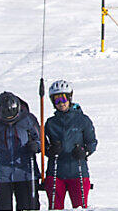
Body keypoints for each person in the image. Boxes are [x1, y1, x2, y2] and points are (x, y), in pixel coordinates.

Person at [0, 92, 43, 211]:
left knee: (28, 207)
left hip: (25, 171)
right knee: (1, 207)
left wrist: (35, 145)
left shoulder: (28, 120)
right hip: (0, 174)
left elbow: (41, 141)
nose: (9, 122)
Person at [43, 80, 97, 210]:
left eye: (63, 98)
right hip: (56, 172)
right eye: (56, 100)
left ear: (69, 98)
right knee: (55, 208)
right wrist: (50, 150)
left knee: (80, 207)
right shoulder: (50, 123)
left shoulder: (82, 120)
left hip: (77, 171)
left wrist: (84, 152)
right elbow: (43, 145)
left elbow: (92, 142)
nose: (61, 103)